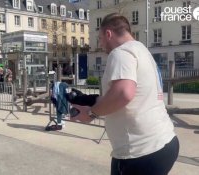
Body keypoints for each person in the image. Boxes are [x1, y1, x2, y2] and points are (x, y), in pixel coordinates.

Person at [71, 13, 179, 175]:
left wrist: (91, 113)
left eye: (100, 39)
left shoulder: (121, 52)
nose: (100, 45)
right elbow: (130, 95)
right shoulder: (142, 51)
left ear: (108, 34)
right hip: (164, 142)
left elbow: (123, 93)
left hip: (139, 152)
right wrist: (92, 100)